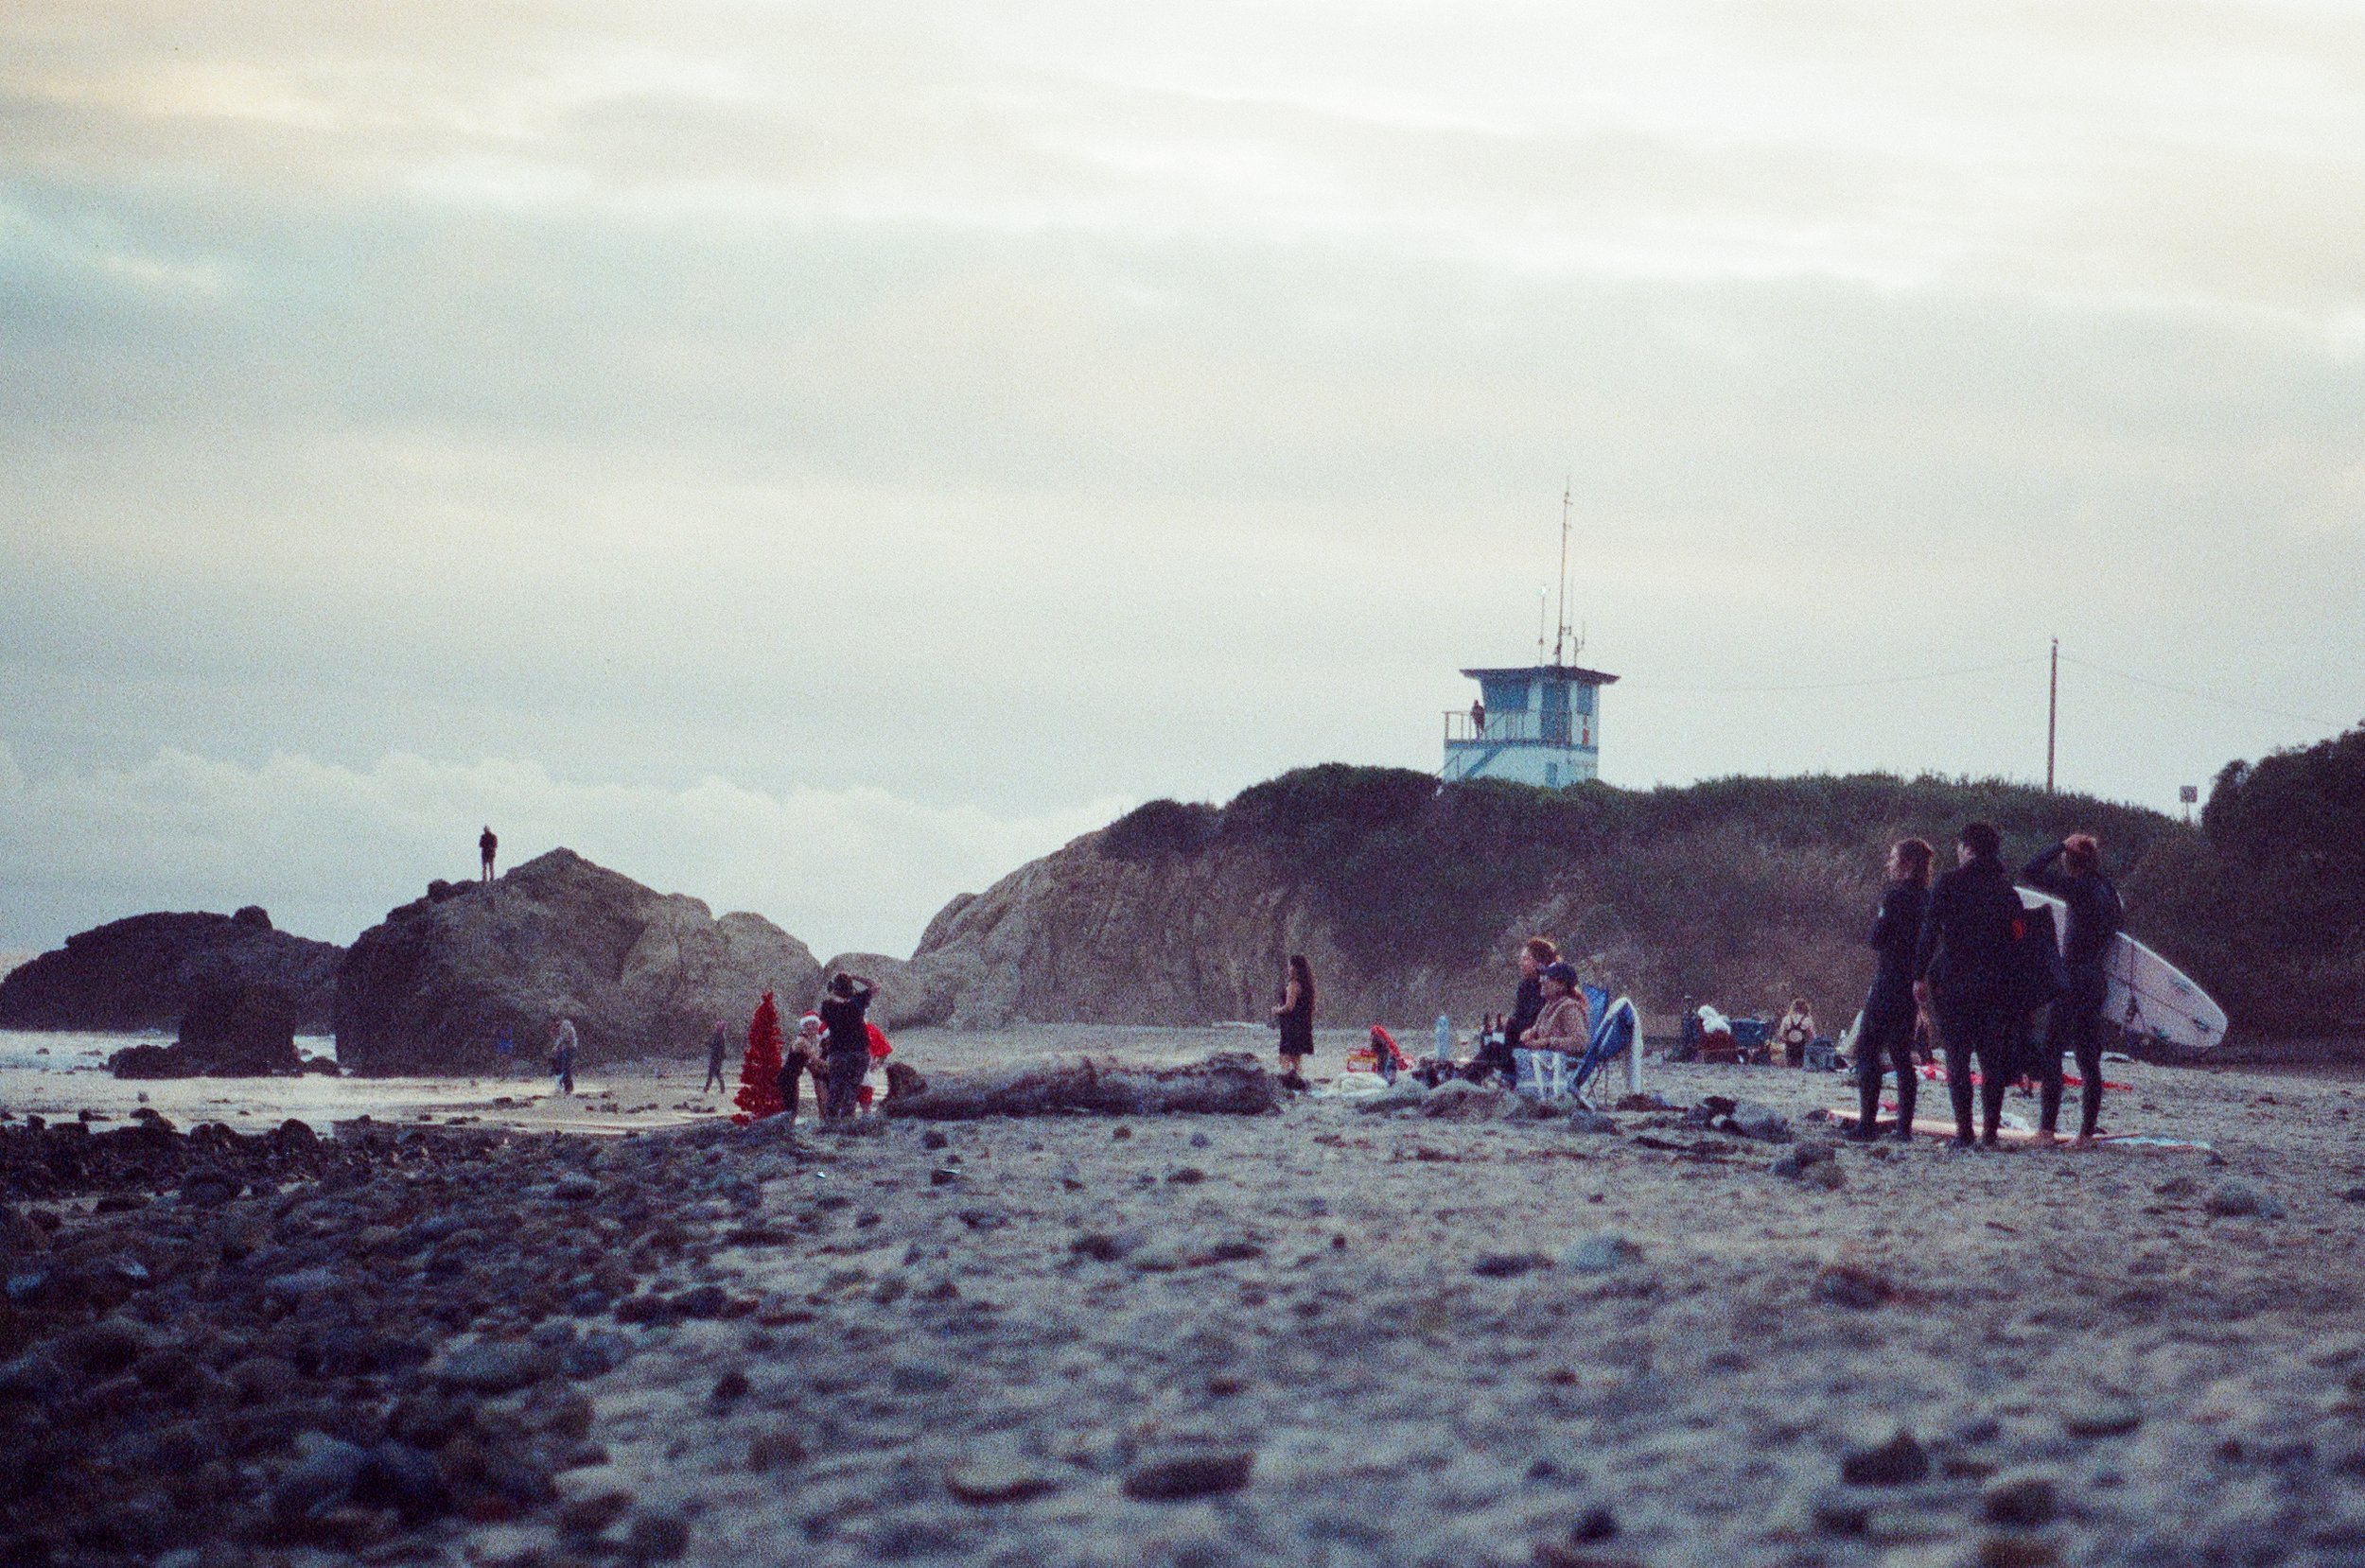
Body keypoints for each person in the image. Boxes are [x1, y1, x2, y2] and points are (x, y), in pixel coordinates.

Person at [1913, 823, 2023, 1148]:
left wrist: (1918, 974)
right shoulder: (2007, 891)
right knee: (1992, 1060)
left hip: (1954, 981)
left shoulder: (1949, 882)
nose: (1958, 853)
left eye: (1960, 847)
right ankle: (1990, 1132)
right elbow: (2019, 937)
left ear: (1969, 848)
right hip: (1995, 983)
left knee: (1958, 1058)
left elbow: (1929, 931)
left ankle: (1964, 1132)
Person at [2023, 833, 2123, 1146]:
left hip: (2073, 980)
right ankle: (2086, 1134)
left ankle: (2046, 1130)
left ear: (2069, 862)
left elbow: (2030, 871)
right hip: (2096, 980)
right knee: (2088, 1059)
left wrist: (2058, 844)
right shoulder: (2109, 891)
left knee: (2051, 1051)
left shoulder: (2078, 889)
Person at [1848, 838, 1933, 1142]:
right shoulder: (1928, 897)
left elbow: (1876, 938)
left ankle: (1867, 1125)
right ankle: (1904, 1128)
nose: (1889, 862)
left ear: (1907, 862)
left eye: (1894, 857)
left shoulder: (1895, 895)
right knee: (1901, 1054)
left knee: (1868, 1050)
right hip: (1911, 983)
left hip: (1889, 980)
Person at [1492, 937, 1556, 1088]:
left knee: (1498, 1041)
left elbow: (1537, 1022)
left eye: (1525, 959)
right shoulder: (1525, 986)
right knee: (1493, 1036)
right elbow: (1520, 1015)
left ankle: (1503, 1079)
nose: (1520, 963)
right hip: (1521, 1034)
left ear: (1539, 962)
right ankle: (1484, 1074)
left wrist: (1511, 1023)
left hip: (1538, 1041)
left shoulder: (1549, 987)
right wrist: (1508, 1022)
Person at [817, 973, 880, 1122]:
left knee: (835, 1090)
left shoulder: (827, 1006)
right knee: (851, 1091)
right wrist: (857, 977)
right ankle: (847, 1123)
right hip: (859, 1052)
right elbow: (875, 986)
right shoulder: (857, 1001)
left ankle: (830, 1123)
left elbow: (825, 1017)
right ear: (850, 988)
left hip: (838, 1052)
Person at [1519, 962, 1589, 1055]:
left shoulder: (1569, 1008)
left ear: (1562, 985)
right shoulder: (1549, 1006)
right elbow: (1536, 1030)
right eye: (1541, 977)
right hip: (1542, 1061)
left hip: (1560, 1065)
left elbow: (1581, 1042)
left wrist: (1547, 1043)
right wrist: (1530, 1033)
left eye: (1546, 978)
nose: (1541, 981)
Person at [1272, 955, 1316, 1091]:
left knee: (1284, 1057)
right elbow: (1312, 1008)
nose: (1288, 968)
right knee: (1296, 1060)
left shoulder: (1293, 985)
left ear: (1296, 968)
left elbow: (1289, 1007)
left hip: (1291, 1027)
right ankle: (1302, 1088)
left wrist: (1277, 1010)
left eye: (1290, 965)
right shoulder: (1308, 985)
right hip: (1302, 1026)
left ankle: (1285, 1089)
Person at [777, 1013, 824, 1123]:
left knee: (793, 1109)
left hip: (793, 1077)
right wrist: (836, 1066)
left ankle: (788, 1131)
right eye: (809, 1024)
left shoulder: (806, 1041)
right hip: (787, 1077)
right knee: (790, 1110)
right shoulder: (802, 1042)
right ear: (804, 1026)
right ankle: (786, 1132)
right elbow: (815, 1059)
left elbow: (809, 1064)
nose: (812, 1027)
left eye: (814, 1024)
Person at [1773, 997, 1818, 1069]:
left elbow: (1781, 1034)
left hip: (1789, 1046)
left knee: (1790, 1066)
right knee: (1799, 1066)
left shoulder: (1786, 1018)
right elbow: (1813, 1036)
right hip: (1801, 1047)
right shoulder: (1807, 1020)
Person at [549, 1017, 578, 1095]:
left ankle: (568, 1088)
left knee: (566, 1068)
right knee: (564, 1068)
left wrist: (556, 1047)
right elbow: (560, 1038)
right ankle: (567, 1087)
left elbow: (564, 1038)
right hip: (567, 1048)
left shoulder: (565, 1025)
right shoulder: (562, 1026)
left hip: (569, 1048)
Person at [703, 1019, 729, 1093]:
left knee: (711, 1073)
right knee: (717, 1073)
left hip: (716, 1057)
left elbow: (716, 1046)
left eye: (718, 1026)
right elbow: (717, 1047)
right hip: (718, 1058)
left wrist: (708, 1043)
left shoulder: (719, 1036)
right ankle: (721, 1088)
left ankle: (707, 1088)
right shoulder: (720, 1036)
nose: (716, 1027)